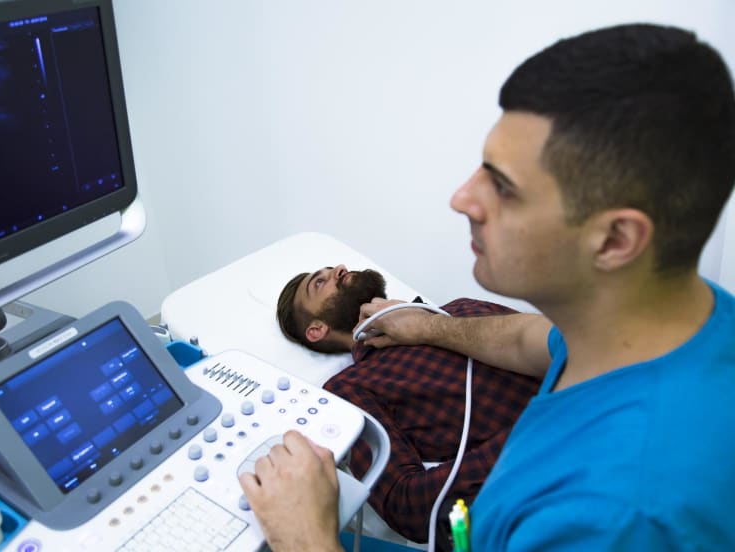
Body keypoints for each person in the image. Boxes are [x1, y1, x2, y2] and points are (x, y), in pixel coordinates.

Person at [239, 23, 735, 551]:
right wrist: (430, 326)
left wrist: (305, 537)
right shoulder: (665, 327)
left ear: (615, 239)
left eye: (503, 186)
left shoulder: (609, 517)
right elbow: (530, 339)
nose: (462, 198)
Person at [274, 265, 540, 542]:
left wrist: (427, 323)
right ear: (317, 330)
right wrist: (538, 435)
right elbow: (405, 504)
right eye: (319, 283)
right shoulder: (348, 390)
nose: (340, 268)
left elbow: (562, 346)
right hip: (557, 486)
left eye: (333, 268)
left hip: (587, 408)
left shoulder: (460, 309)